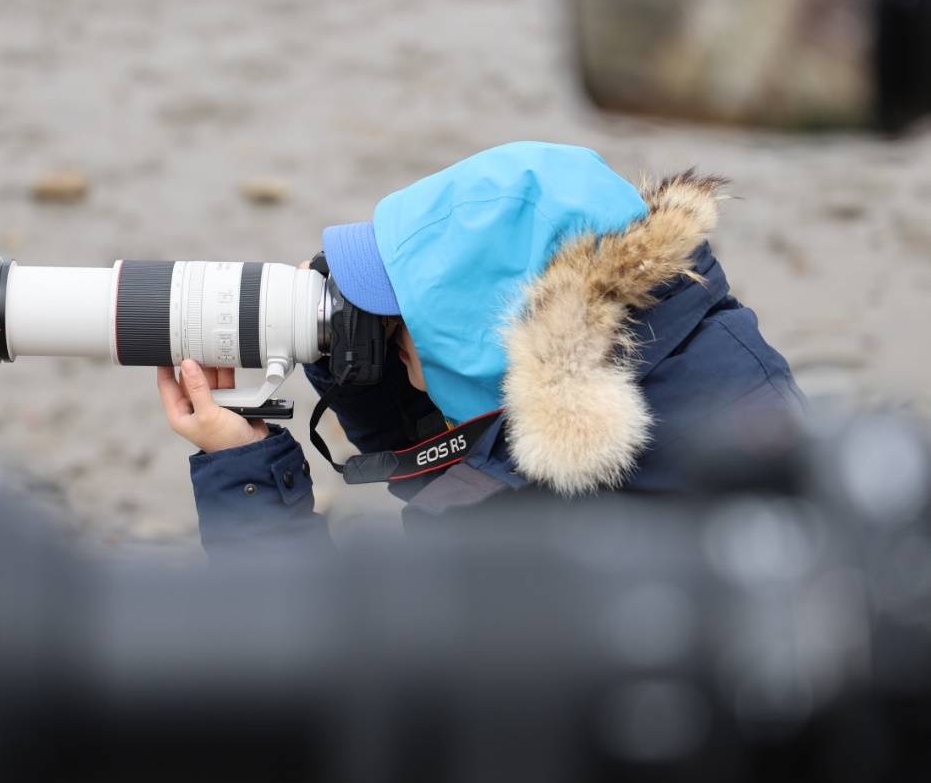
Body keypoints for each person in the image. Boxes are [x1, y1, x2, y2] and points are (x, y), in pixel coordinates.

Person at [155, 142, 804, 553]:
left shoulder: (545, 544)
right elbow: (495, 454)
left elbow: (317, 695)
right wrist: (357, 376)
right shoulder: (694, 379)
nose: (390, 341)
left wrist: (243, 472)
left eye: (399, 315)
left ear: (491, 332)